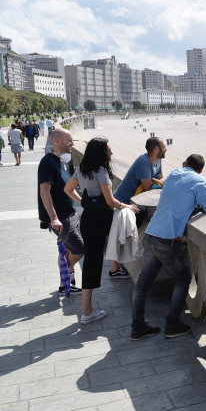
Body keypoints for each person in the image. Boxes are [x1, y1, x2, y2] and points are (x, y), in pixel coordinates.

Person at [131, 154, 206, 341]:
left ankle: (137, 327)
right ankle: (172, 325)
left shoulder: (172, 174)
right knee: (183, 278)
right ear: (200, 170)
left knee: (142, 285)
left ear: (185, 163)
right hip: (168, 240)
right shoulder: (199, 181)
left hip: (151, 233)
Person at [64, 137, 141, 324]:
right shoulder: (101, 171)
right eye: (109, 150)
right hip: (102, 220)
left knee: (91, 262)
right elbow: (111, 202)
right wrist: (127, 206)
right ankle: (119, 266)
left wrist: (83, 202)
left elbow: (67, 189)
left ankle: (86, 311)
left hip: (88, 220)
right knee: (136, 218)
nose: (111, 153)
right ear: (101, 153)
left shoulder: (82, 169)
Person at [110, 137, 167, 277]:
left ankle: (117, 266)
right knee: (123, 234)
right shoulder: (143, 162)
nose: (166, 149)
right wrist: (157, 182)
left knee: (127, 233)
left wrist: (157, 181)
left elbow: (162, 178)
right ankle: (114, 268)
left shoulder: (157, 160)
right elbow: (148, 187)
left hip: (133, 202)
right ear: (156, 149)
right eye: (164, 147)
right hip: (122, 203)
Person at [38, 128, 84, 295]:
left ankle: (65, 284)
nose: (72, 144)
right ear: (57, 141)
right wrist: (54, 218)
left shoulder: (62, 161)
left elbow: (67, 188)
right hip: (62, 219)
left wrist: (82, 202)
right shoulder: (47, 162)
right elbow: (44, 192)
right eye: (69, 141)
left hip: (69, 214)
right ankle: (67, 275)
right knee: (80, 249)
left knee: (67, 250)